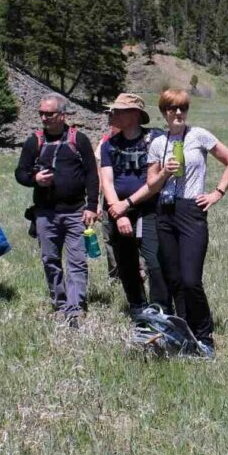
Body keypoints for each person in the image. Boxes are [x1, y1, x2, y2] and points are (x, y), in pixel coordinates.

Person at [147, 88, 228, 356]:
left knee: (191, 280)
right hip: (164, 211)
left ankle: (204, 336)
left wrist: (217, 193)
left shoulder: (199, 135)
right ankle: (181, 333)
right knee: (173, 279)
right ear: (164, 112)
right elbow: (150, 185)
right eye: (172, 109)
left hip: (191, 211)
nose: (178, 113)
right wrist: (165, 171)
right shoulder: (156, 143)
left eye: (183, 108)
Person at [15, 93, 99, 328]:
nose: (44, 117)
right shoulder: (34, 141)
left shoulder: (78, 139)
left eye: (49, 113)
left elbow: (92, 174)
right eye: (41, 113)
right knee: (50, 260)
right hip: (45, 213)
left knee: (77, 261)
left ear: (62, 115)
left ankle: (75, 308)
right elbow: (19, 173)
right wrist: (35, 178)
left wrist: (92, 206)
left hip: (76, 212)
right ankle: (60, 303)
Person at [99, 93, 169, 316]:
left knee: (155, 261)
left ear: (135, 115)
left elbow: (155, 182)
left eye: (118, 111)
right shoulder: (109, 145)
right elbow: (107, 182)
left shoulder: (156, 139)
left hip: (149, 208)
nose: (112, 114)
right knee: (126, 262)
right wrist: (118, 213)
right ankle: (137, 308)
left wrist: (127, 204)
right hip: (117, 210)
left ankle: (160, 309)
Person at [94, 123, 120, 282]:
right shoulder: (105, 142)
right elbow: (98, 175)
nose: (112, 122)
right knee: (109, 238)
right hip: (108, 201)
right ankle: (115, 277)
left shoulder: (142, 140)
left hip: (134, 200)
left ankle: (140, 274)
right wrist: (96, 201)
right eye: (111, 117)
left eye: (116, 116)